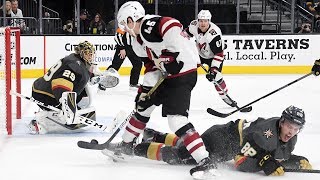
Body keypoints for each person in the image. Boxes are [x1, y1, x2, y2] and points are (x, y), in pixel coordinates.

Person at [105, 1, 217, 178]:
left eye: (124, 25)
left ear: (131, 19)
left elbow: (172, 24)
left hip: (183, 74)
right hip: (168, 75)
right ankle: (126, 146)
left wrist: (171, 54)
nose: (125, 29)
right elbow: (151, 66)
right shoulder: (137, 42)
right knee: (143, 107)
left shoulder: (147, 25)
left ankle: (205, 161)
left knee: (177, 120)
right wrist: (144, 90)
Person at [131, 105, 313, 176]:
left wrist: (294, 160)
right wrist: (263, 163)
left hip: (226, 136)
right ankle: (133, 149)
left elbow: (275, 154)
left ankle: (154, 135)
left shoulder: (289, 138)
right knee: (181, 156)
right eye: (289, 125)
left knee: (193, 146)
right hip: (221, 140)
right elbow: (240, 162)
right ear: (281, 122)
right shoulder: (263, 133)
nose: (291, 131)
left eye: (296, 128)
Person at [29, 41, 120, 134]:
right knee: (69, 115)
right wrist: (66, 106)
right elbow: (60, 82)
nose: (90, 56)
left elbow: (78, 78)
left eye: (92, 54)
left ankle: (60, 113)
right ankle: (41, 122)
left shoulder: (76, 61)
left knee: (84, 92)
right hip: (45, 95)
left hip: (43, 89)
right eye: (88, 54)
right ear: (80, 53)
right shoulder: (74, 65)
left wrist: (95, 77)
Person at [183, 10, 236, 107]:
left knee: (216, 77)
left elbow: (219, 54)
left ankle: (225, 96)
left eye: (205, 21)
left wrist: (213, 70)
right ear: (198, 20)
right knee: (185, 68)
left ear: (209, 21)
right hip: (199, 54)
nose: (203, 23)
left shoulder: (214, 34)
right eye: (201, 20)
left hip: (213, 57)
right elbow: (187, 33)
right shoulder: (194, 25)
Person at [99, 26, 143, 91]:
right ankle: (101, 82)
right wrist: (122, 48)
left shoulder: (136, 25)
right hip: (122, 48)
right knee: (115, 66)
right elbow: (117, 36)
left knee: (138, 64)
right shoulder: (124, 25)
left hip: (132, 48)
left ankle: (133, 83)